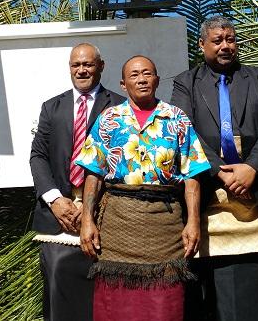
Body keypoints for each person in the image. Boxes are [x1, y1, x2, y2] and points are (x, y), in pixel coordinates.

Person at [171, 16, 258, 321]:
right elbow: (184, 130)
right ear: (202, 45)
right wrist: (219, 170)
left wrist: (252, 168)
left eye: (231, 39)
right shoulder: (185, 83)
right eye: (218, 40)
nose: (226, 45)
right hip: (211, 194)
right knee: (220, 298)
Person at [77, 55, 210, 321]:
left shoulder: (176, 118)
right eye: (135, 74)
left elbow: (193, 174)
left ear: (157, 80)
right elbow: (93, 173)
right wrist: (87, 221)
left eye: (147, 73)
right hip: (117, 224)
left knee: (165, 304)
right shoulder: (109, 118)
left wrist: (194, 221)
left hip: (165, 225)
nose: (142, 79)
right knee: (115, 305)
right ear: (123, 84)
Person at [29, 43, 124, 321]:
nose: (82, 70)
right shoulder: (51, 107)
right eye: (76, 65)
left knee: (105, 297)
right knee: (60, 292)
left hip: (105, 216)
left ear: (101, 66)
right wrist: (55, 199)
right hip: (59, 217)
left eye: (88, 64)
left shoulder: (119, 106)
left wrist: (90, 209)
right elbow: (38, 156)